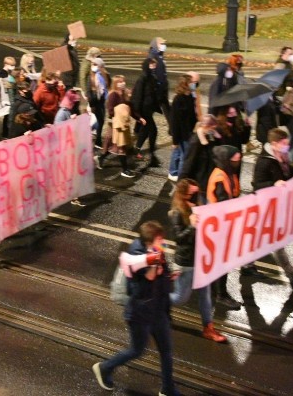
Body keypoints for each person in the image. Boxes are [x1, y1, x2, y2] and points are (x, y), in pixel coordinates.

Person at [92, 221, 178, 396]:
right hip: (140, 314)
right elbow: (147, 279)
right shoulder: (136, 254)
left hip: (158, 310)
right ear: (149, 241)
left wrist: (169, 275)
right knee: (137, 350)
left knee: (166, 351)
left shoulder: (155, 250)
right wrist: (155, 261)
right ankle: (104, 368)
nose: (163, 240)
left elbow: (161, 277)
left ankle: (168, 389)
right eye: (159, 238)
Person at [250, 128, 293, 290]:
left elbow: (286, 172)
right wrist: (273, 184)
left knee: (259, 240)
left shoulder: (280, 156)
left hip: (278, 206)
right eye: (284, 143)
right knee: (276, 244)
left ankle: (247, 265)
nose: (287, 145)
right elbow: (256, 186)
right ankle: (292, 277)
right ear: (274, 144)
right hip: (266, 209)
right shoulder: (264, 161)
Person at [169, 179, 228, 343]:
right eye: (192, 194)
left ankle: (208, 328)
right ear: (183, 195)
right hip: (187, 262)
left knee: (205, 295)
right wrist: (192, 226)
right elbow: (179, 239)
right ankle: (154, 301)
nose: (196, 196)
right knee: (181, 298)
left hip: (202, 260)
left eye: (197, 193)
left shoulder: (199, 207)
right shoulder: (177, 213)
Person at [205, 145, 246, 308]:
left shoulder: (227, 173)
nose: (238, 160)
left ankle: (215, 290)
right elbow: (223, 205)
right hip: (220, 227)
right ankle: (220, 294)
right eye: (235, 158)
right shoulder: (221, 178)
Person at [180, 115, 222, 204]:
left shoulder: (209, 136)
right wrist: (181, 184)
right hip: (200, 183)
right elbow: (188, 163)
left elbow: (215, 154)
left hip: (207, 181)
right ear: (207, 126)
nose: (214, 130)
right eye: (213, 128)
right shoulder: (195, 142)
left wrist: (218, 138)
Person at [130, 57, 163, 167]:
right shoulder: (142, 79)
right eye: (151, 65)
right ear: (146, 66)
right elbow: (138, 96)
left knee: (145, 131)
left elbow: (153, 93)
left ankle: (137, 150)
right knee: (153, 130)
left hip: (149, 110)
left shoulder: (152, 78)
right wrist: (138, 114)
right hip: (144, 110)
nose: (153, 67)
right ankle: (152, 155)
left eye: (154, 65)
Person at [168, 74, 197, 182]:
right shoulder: (178, 99)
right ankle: (181, 179)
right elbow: (174, 122)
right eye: (191, 82)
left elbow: (192, 115)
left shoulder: (189, 97)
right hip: (182, 134)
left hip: (189, 132)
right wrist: (175, 140)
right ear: (185, 84)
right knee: (184, 156)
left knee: (180, 153)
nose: (194, 84)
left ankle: (173, 172)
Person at [86, 56, 110, 149]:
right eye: (93, 64)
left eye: (96, 64)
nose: (94, 66)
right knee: (94, 123)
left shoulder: (103, 76)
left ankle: (98, 140)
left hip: (101, 102)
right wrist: (92, 104)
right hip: (94, 103)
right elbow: (89, 91)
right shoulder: (91, 77)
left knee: (101, 121)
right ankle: (92, 140)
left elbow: (106, 87)